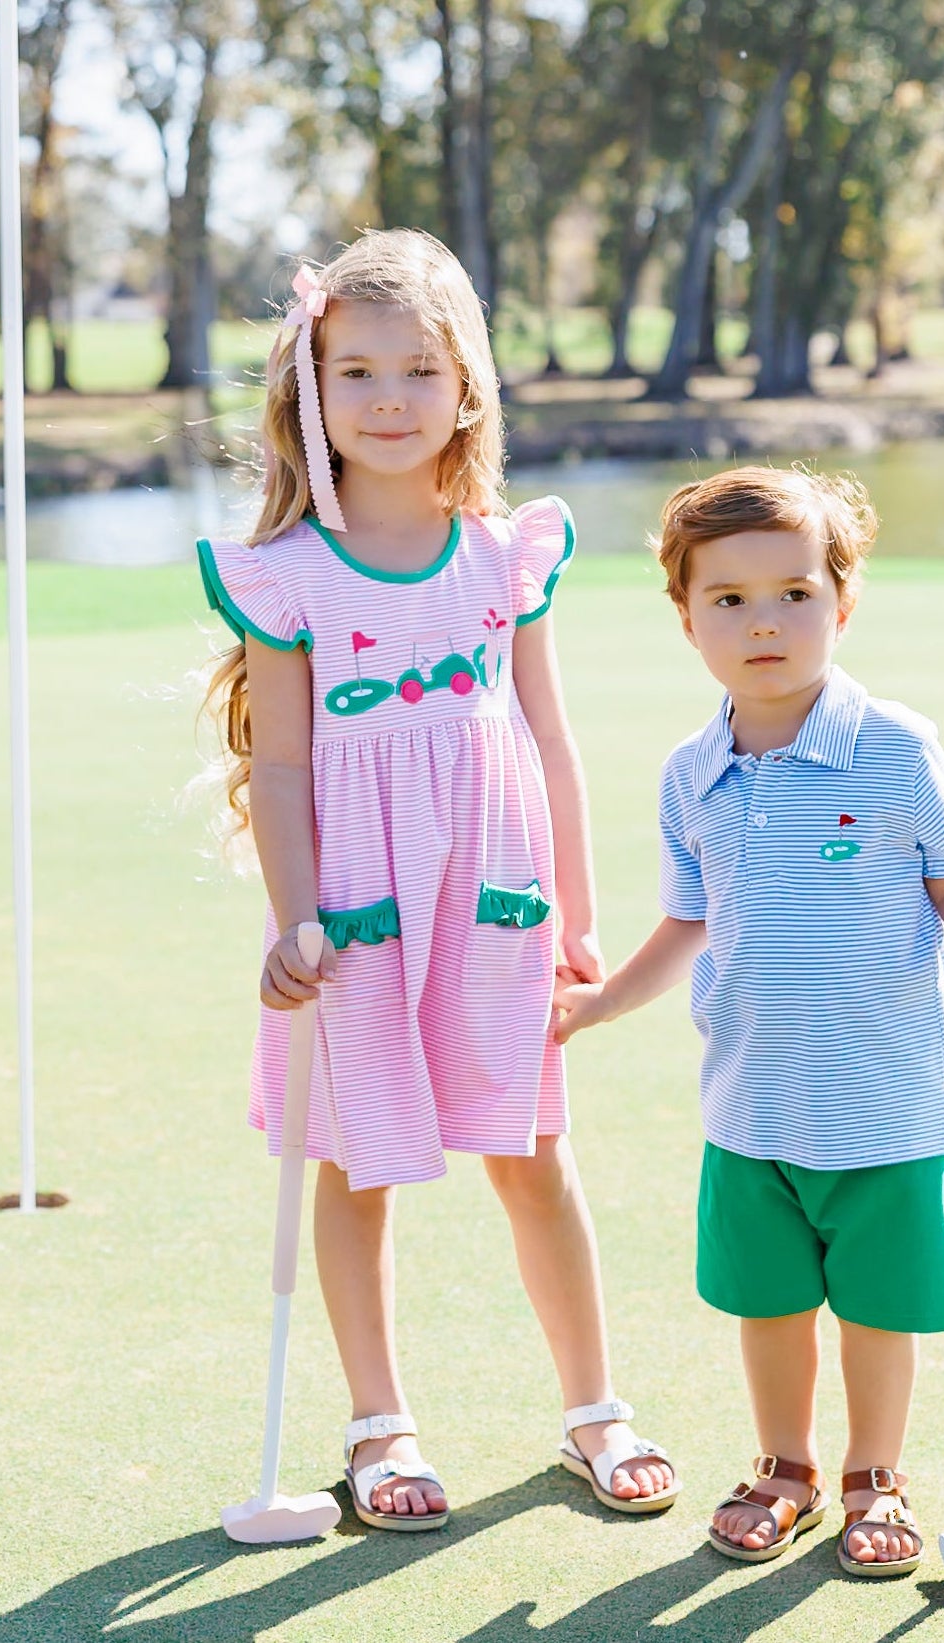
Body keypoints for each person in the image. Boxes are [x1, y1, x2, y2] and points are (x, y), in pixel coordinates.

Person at [198, 228, 678, 1531]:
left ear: (467, 382)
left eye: (419, 369)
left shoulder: (502, 554)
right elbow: (280, 765)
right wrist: (296, 918)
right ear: (310, 389)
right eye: (356, 371)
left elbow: (550, 738)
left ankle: (592, 1407)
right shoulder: (286, 576)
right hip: (356, 915)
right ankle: (380, 1423)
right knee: (357, 1161)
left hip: (494, 894)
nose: (390, 399)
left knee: (533, 1148)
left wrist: (578, 910)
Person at [554, 465, 944, 1572]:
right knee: (769, 1304)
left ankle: (875, 1473)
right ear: (686, 618)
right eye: (728, 599)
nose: (763, 622)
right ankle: (786, 1465)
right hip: (751, 1103)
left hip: (888, 1103)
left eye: (793, 593)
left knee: (877, 1310)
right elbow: (690, 918)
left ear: (843, 601)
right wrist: (603, 1001)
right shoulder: (690, 773)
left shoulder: (895, 746)